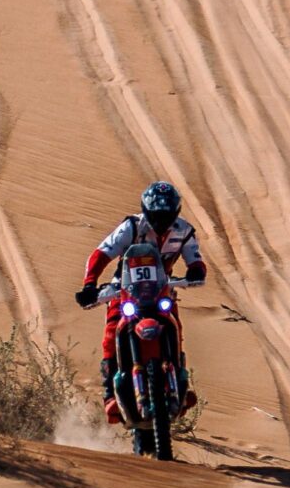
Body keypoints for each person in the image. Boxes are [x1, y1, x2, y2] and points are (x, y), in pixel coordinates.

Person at [75, 180, 205, 420]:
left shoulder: (184, 231)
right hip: (126, 289)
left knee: (175, 326)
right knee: (112, 332)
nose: (161, 221)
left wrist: (196, 270)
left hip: (161, 290)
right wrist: (90, 284)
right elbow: (102, 253)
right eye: (156, 215)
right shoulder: (132, 226)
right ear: (146, 211)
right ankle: (110, 396)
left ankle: (180, 382)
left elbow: (195, 258)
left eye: (166, 215)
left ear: (175, 212)